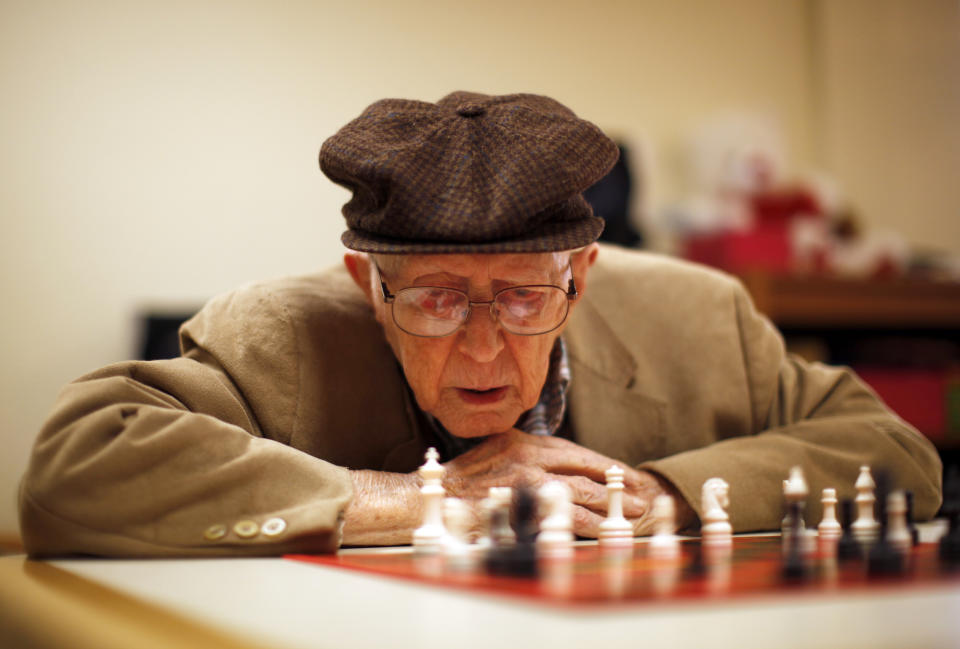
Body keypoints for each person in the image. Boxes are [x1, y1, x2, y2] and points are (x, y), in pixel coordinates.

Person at [19, 91, 941, 557]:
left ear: (582, 276)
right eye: (435, 297)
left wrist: (661, 492)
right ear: (365, 283)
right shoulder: (280, 331)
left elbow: (897, 450)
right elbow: (75, 464)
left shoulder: (702, 315)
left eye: (524, 294)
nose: (484, 345)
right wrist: (415, 496)